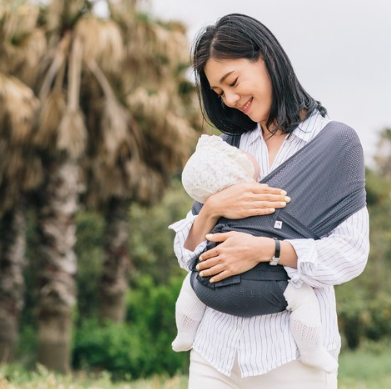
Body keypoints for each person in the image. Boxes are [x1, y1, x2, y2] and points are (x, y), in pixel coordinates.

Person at [169, 13, 369, 389]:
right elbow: (187, 255)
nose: (229, 99)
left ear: (267, 59)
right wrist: (212, 209)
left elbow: (351, 253)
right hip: (214, 354)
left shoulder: (334, 146)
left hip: (291, 357)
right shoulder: (228, 149)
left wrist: (267, 250)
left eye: (232, 82)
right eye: (218, 92)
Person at [172, 134, 338, 375]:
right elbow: (183, 254)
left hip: (211, 284)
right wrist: (211, 209)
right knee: (303, 298)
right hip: (269, 286)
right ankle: (311, 350)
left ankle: (184, 334)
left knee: (190, 284)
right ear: (238, 174)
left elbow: (188, 259)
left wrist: (212, 211)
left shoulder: (223, 201)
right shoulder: (267, 195)